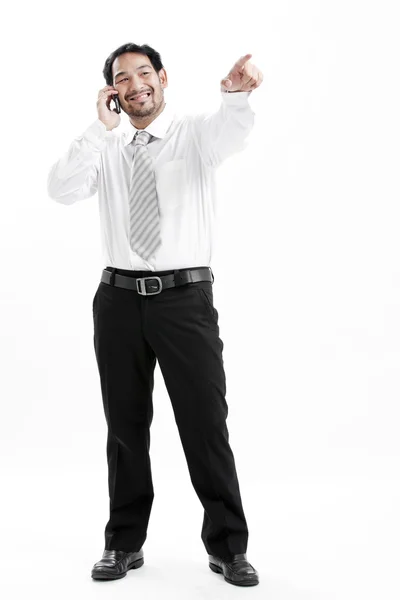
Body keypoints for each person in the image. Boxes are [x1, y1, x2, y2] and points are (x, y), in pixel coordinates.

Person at [47, 42, 263, 587]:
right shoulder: (108, 149)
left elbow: (232, 133)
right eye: (123, 78)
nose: (135, 83)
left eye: (144, 72)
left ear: (162, 78)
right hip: (118, 301)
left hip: (184, 301)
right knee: (124, 428)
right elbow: (60, 188)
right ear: (113, 92)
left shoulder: (194, 136)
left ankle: (229, 547)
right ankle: (122, 543)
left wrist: (234, 94)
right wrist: (99, 129)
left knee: (205, 425)